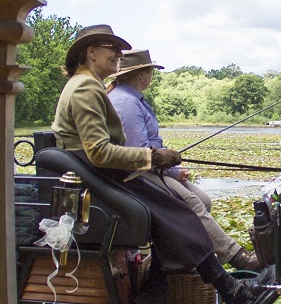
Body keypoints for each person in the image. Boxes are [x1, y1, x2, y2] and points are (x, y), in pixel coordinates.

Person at [53, 25, 268, 304]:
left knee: (176, 217)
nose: (117, 54)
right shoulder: (86, 88)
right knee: (180, 214)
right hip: (102, 180)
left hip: (103, 177)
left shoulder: (87, 85)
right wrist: (152, 157)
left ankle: (160, 300)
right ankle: (228, 288)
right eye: (111, 48)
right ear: (91, 52)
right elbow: (99, 152)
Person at [107, 48, 256, 269]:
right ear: (141, 74)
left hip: (149, 170)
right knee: (191, 203)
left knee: (203, 199)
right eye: (151, 71)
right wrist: (167, 166)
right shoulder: (126, 103)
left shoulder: (131, 98)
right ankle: (236, 257)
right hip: (135, 176)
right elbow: (139, 153)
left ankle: (181, 262)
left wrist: (173, 171)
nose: (151, 76)